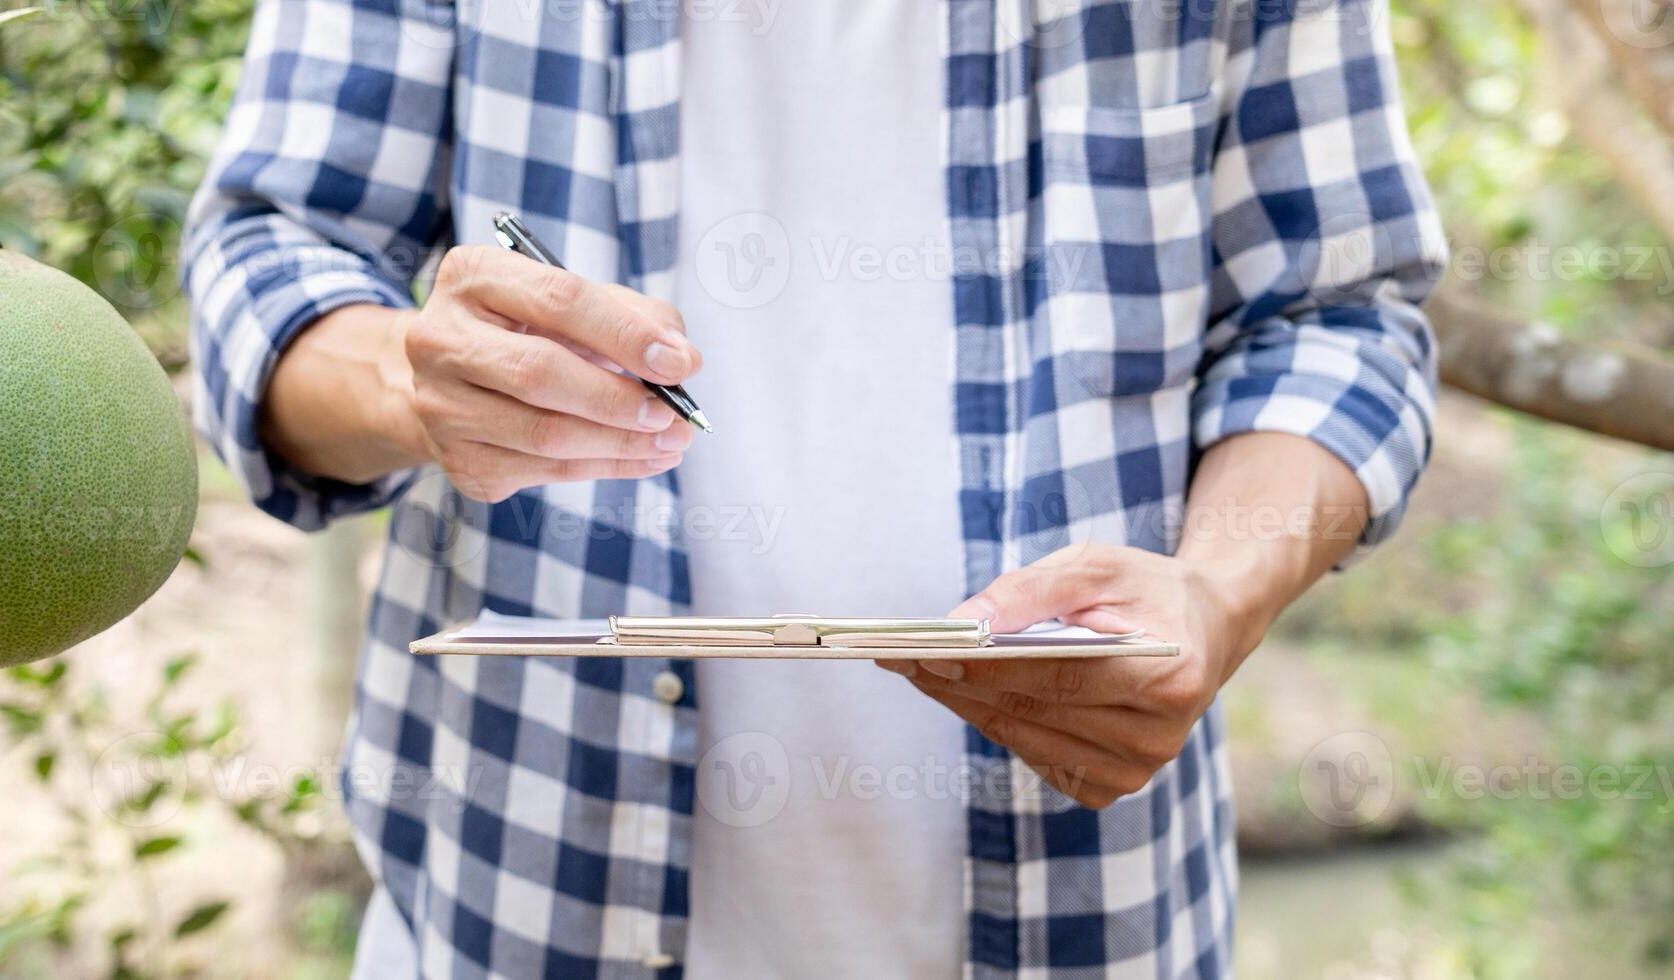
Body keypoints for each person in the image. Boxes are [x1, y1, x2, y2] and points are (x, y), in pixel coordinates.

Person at [184, 0, 1443, 974]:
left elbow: (1337, 312)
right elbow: (270, 255)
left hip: (1094, 922)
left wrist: (1218, 589)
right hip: (509, 909)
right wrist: (418, 382)